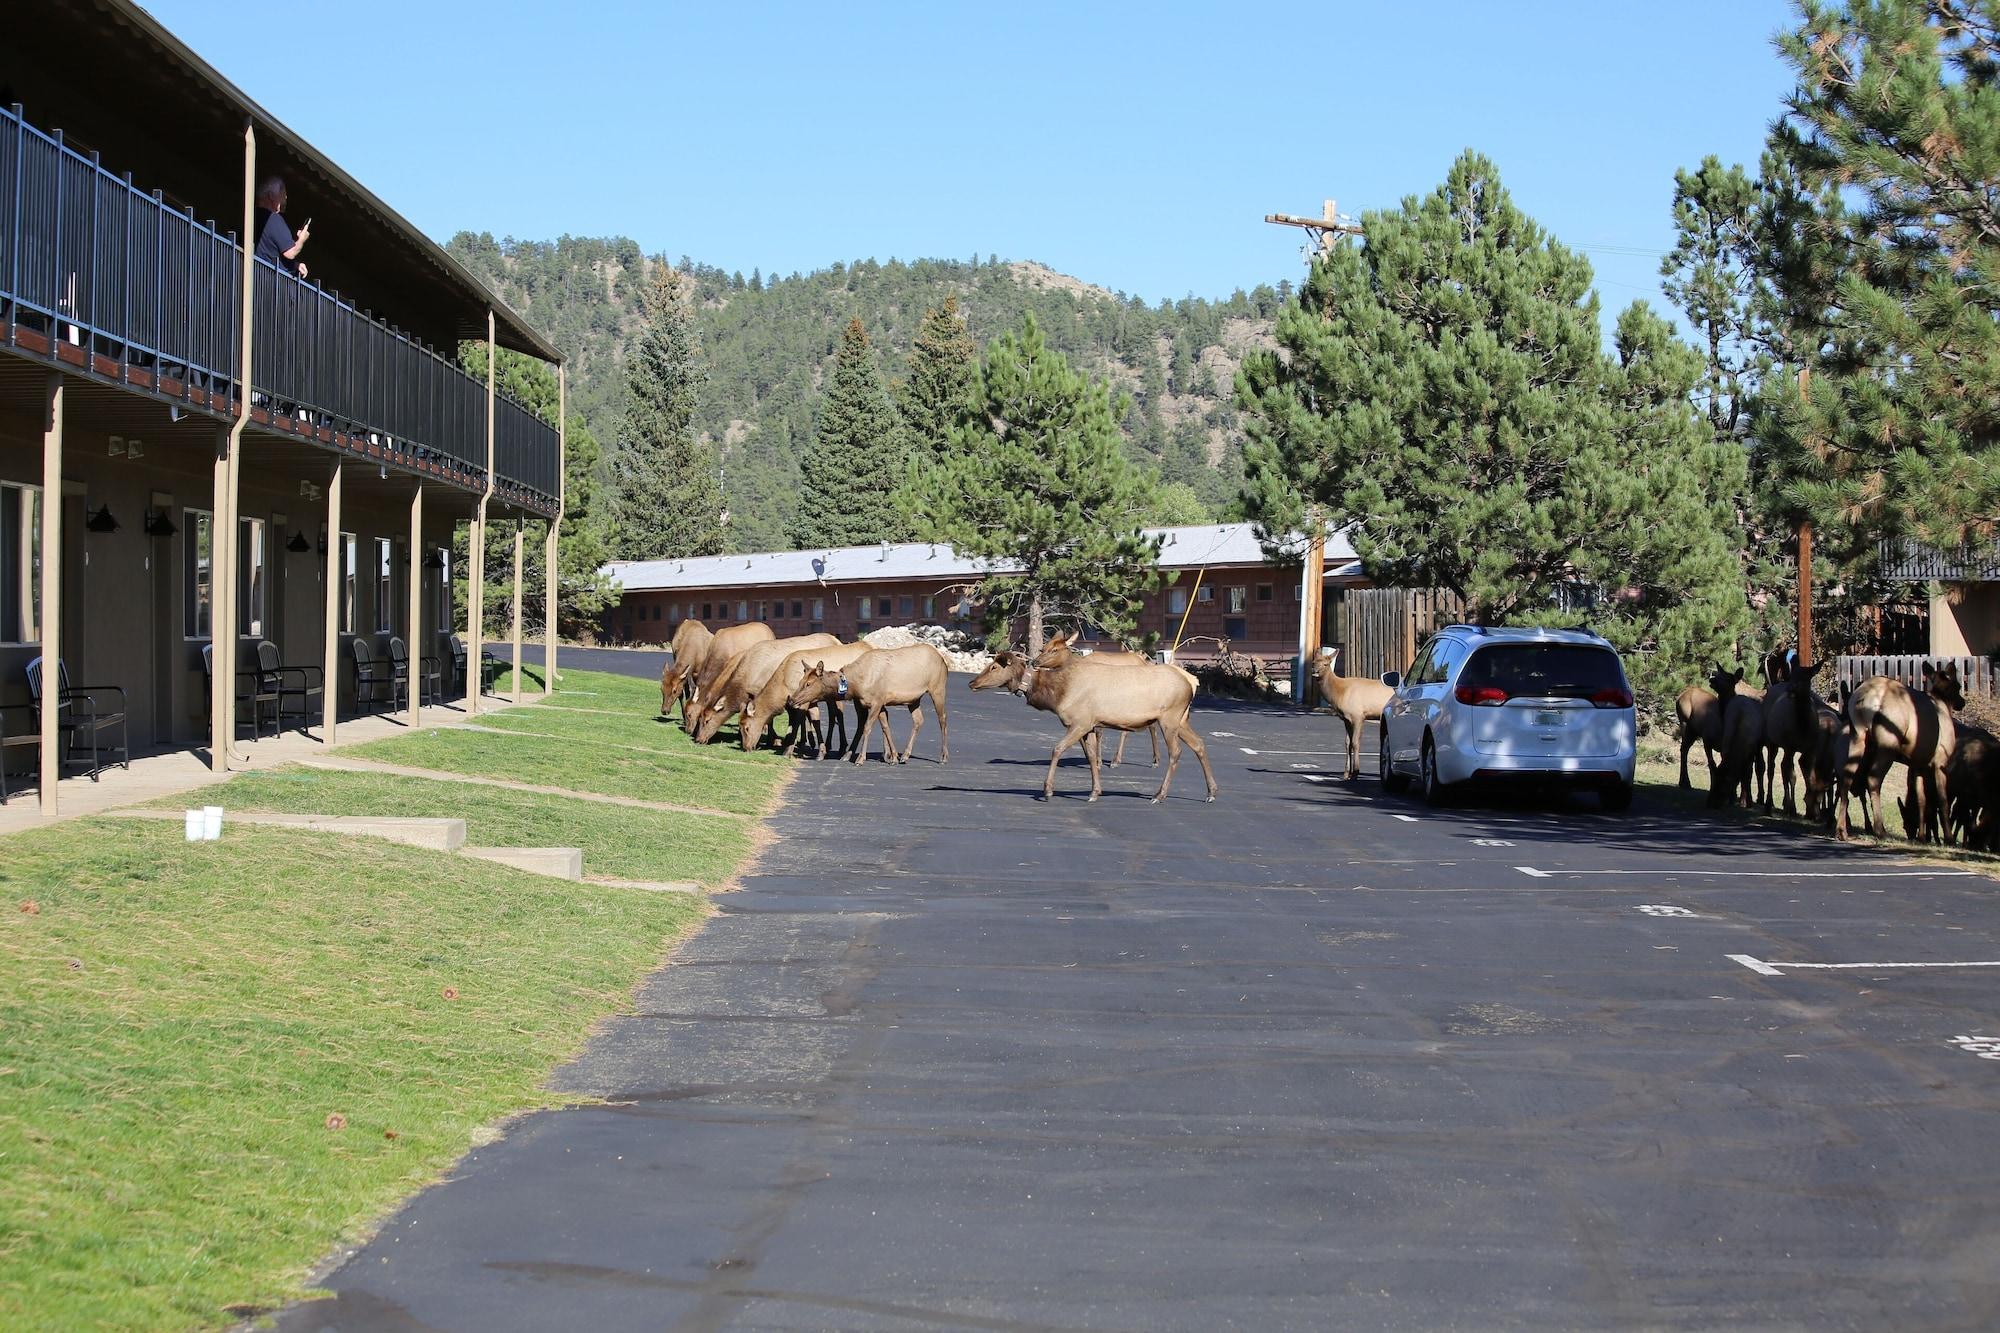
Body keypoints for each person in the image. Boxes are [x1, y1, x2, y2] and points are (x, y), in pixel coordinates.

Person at [253, 176, 310, 279]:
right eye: (282, 192)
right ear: (271, 196)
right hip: (270, 283)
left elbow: (268, 251)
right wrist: (301, 239)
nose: (285, 197)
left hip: (255, 277)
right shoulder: (273, 218)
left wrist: (294, 265)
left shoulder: (251, 215)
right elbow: (290, 252)